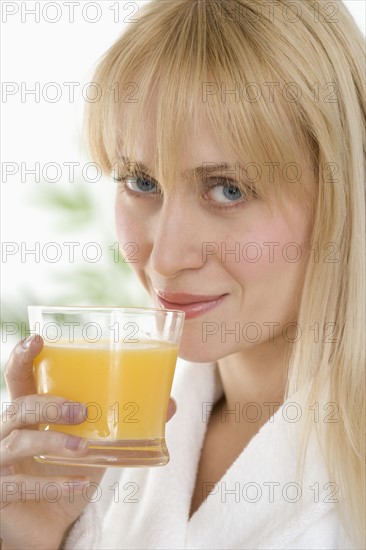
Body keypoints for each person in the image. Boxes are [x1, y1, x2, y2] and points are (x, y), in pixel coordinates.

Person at [1, 0, 365, 548]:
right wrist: (32, 536)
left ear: (341, 199)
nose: (165, 257)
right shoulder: (99, 454)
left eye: (228, 189)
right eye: (141, 182)